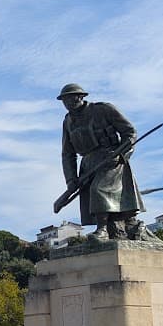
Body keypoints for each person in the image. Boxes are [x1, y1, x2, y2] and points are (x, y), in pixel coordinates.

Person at [54, 83, 146, 240]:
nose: (68, 103)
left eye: (71, 98)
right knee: (91, 195)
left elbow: (130, 133)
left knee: (99, 190)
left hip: (111, 159)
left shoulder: (103, 109)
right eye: (65, 100)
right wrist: (71, 180)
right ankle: (107, 228)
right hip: (88, 163)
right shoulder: (68, 121)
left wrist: (122, 154)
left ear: (81, 96)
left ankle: (102, 230)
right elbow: (67, 154)